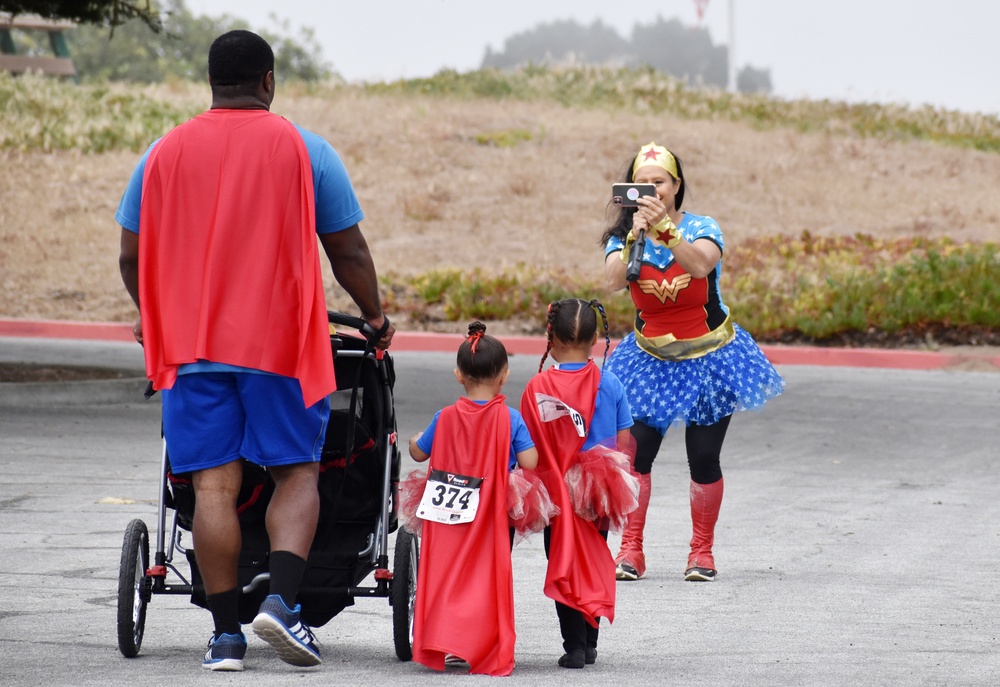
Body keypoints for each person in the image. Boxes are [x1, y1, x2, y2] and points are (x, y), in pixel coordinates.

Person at [116, 30, 395, 671]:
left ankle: (225, 638)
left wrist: (149, 312)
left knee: (212, 488)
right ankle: (284, 608)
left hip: (191, 346)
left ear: (211, 82)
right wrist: (374, 315)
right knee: (296, 472)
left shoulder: (162, 153)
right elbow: (346, 250)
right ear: (267, 81)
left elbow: (132, 255)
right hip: (281, 344)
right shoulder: (306, 149)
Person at [601, 141, 784, 583]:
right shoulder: (625, 238)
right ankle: (631, 549)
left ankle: (701, 551)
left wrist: (665, 229)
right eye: (642, 184)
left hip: (709, 356)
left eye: (658, 182)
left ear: (676, 185)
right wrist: (634, 235)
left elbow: (700, 266)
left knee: (703, 458)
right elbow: (610, 282)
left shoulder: (703, 227)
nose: (651, 190)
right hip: (649, 360)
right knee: (635, 455)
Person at [407, 322, 537, 676]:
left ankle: (448, 643)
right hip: (489, 511)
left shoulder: (443, 417)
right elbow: (529, 462)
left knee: (447, 572)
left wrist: (416, 438)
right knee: (485, 574)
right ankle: (481, 643)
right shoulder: (510, 419)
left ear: (458, 375)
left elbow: (419, 452)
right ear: (505, 375)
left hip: (446, 509)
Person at [520, 298, 635, 669]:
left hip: (557, 491)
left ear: (549, 335)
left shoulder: (538, 385)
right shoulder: (609, 382)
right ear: (596, 336)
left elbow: (528, 446)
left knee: (563, 558)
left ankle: (574, 646)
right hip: (601, 488)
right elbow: (625, 438)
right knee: (595, 556)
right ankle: (590, 640)